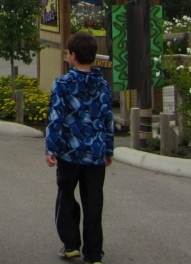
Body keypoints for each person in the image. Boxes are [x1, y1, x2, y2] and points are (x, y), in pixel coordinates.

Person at [45, 31, 114, 264]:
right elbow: (107, 119)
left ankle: (71, 244)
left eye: (67, 52)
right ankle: (94, 253)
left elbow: (56, 117)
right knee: (94, 201)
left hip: (69, 152)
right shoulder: (103, 85)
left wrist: (51, 148)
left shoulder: (63, 84)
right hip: (95, 152)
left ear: (72, 56)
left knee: (66, 194)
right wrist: (108, 149)